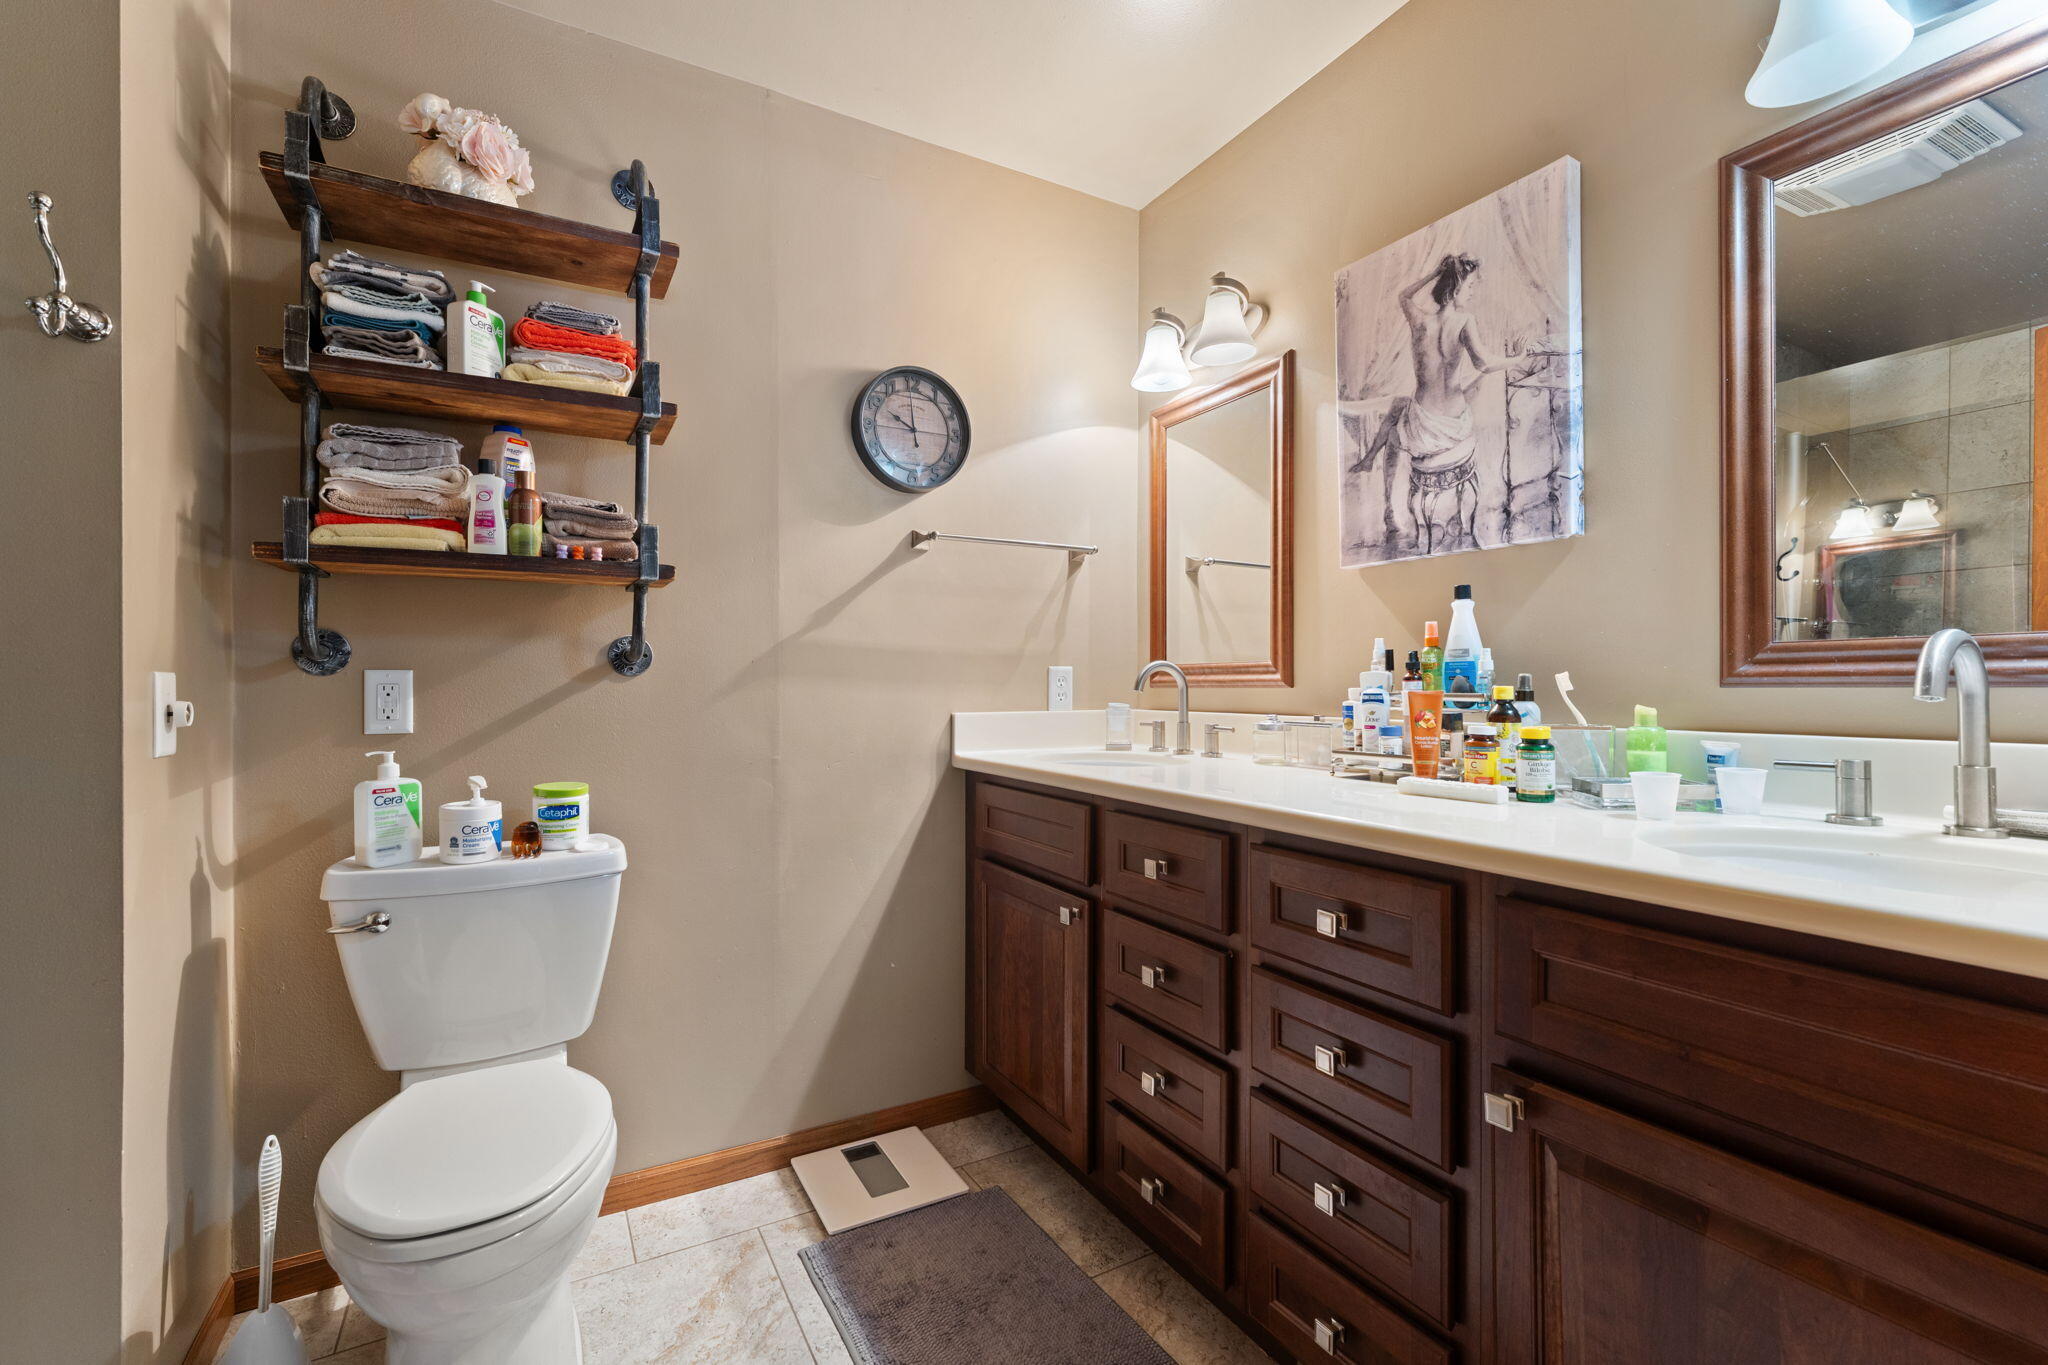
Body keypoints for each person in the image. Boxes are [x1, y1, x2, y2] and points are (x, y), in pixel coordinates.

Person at [1351, 253, 1523, 555]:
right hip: (1453, 424)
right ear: (1457, 289)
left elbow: (1404, 295)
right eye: (1470, 287)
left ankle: (1371, 461)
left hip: (1421, 425)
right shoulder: (1464, 320)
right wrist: (1517, 359)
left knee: (1398, 410)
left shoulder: (1420, 321)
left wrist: (1433, 272)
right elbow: (1483, 363)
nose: (1472, 293)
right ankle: (1459, 520)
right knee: (1472, 383)